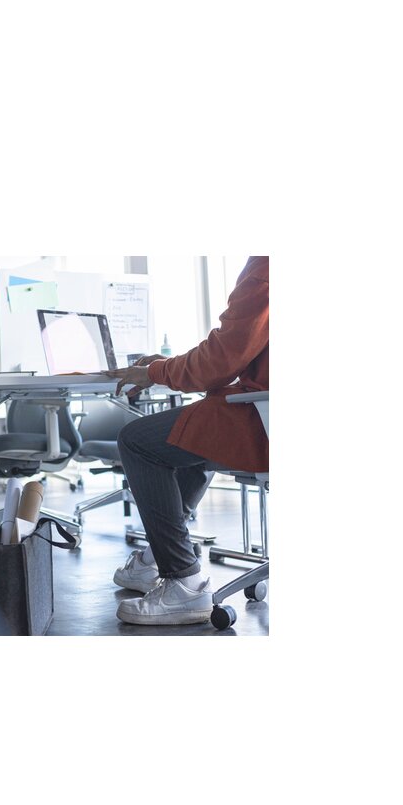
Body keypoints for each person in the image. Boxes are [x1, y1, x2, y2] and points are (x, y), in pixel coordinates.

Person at [104, 256, 269, 625]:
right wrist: (163, 367)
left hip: (265, 421)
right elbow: (233, 355)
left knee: (137, 441)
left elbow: (219, 362)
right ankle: (157, 554)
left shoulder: (265, 269)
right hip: (264, 409)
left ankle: (184, 583)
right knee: (196, 431)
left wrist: (156, 372)